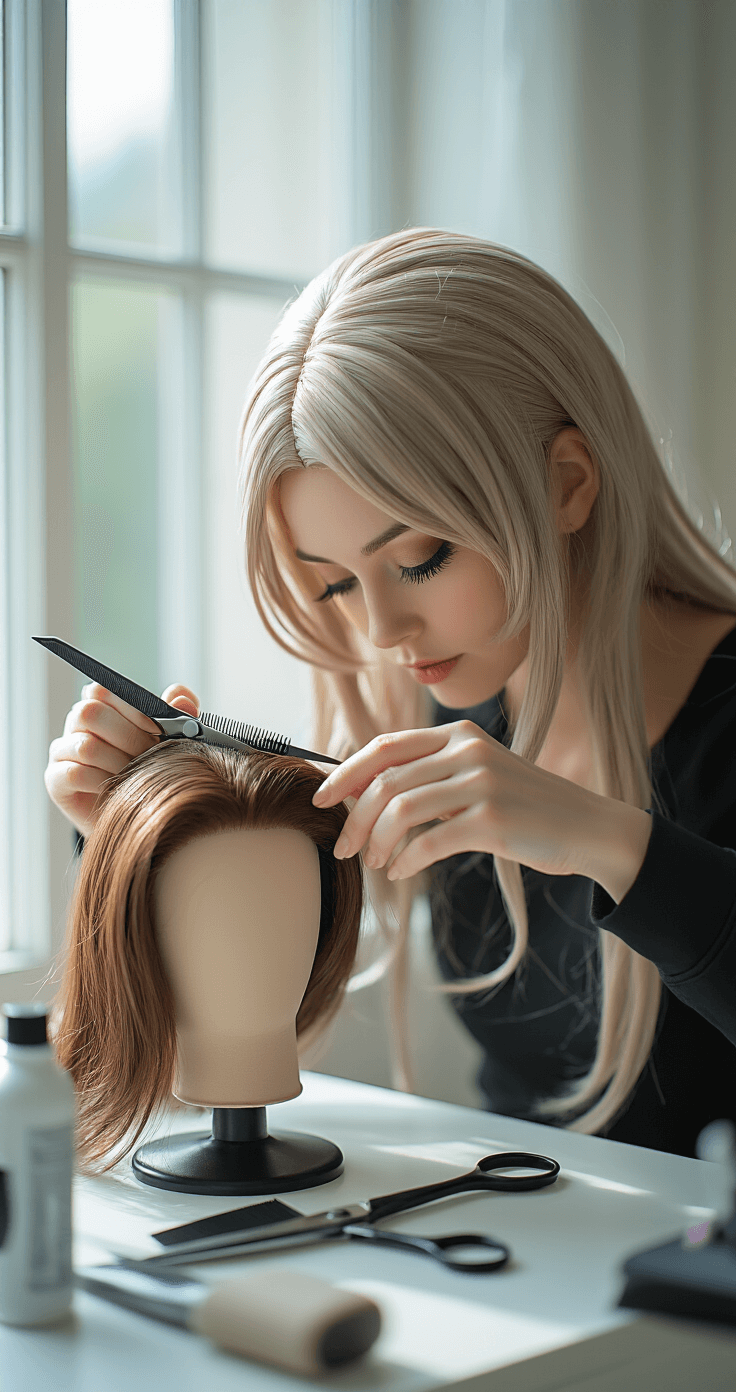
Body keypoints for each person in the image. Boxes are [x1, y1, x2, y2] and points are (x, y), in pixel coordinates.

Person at [46, 228, 736, 1158]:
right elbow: (210, 1032)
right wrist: (127, 838)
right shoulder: (431, 718)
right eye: (333, 582)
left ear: (567, 485)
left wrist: (610, 843)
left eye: (420, 560)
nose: (379, 632)